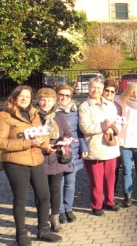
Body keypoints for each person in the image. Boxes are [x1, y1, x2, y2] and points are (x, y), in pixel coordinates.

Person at [0, 85, 62, 246]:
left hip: (36, 160)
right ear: (14, 97)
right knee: (20, 199)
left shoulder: (34, 114)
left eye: (28, 96)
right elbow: (0, 142)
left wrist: (45, 145)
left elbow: (43, 135)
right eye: (21, 96)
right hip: (15, 162)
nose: (24, 99)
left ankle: (43, 230)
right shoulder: (4, 116)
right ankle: (21, 234)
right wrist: (27, 143)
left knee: (44, 196)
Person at [79, 77, 121, 216]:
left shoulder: (110, 105)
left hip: (110, 146)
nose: (95, 90)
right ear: (89, 88)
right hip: (95, 147)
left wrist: (113, 129)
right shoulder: (85, 106)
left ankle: (109, 201)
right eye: (93, 87)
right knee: (97, 180)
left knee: (110, 178)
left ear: (102, 90)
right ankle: (96, 205)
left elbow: (117, 122)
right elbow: (85, 127)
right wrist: (104, 127)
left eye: (98, 88)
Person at [35, 88, 72, 233]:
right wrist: (44, 146)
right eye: (43, 99)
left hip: (57, 158)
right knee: (41, 192)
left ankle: (55, 219)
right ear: (38, 100)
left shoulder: (60, 116)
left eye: (49, 100)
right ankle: (42, 221)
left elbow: (68, 133)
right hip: (39, 159)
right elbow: (30, 136)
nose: (45, 103)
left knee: (56, 190)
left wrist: (64, 139)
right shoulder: (33, 116)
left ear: (54, 101)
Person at [55, 84, 89, 224]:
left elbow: (79, 132)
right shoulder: (52, 112)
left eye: (67, 95)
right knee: (59, 184)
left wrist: (84, 147)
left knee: (70, 183)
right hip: (57, 153)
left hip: (73, 152)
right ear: (56, 94)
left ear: (71, 96)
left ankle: (69, 208)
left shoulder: (75, 112)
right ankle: (60, 211)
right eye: (61, 94)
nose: (64, 97)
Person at [102, 79, 122, 194]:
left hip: (114, 140)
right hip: (100, 141)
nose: (109, 93)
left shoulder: (117, 106)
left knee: (113, 170)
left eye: (112, 91)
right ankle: (103, 196)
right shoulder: (98, 103)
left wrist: (114, 129)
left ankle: (110, 195)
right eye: (107, 90)